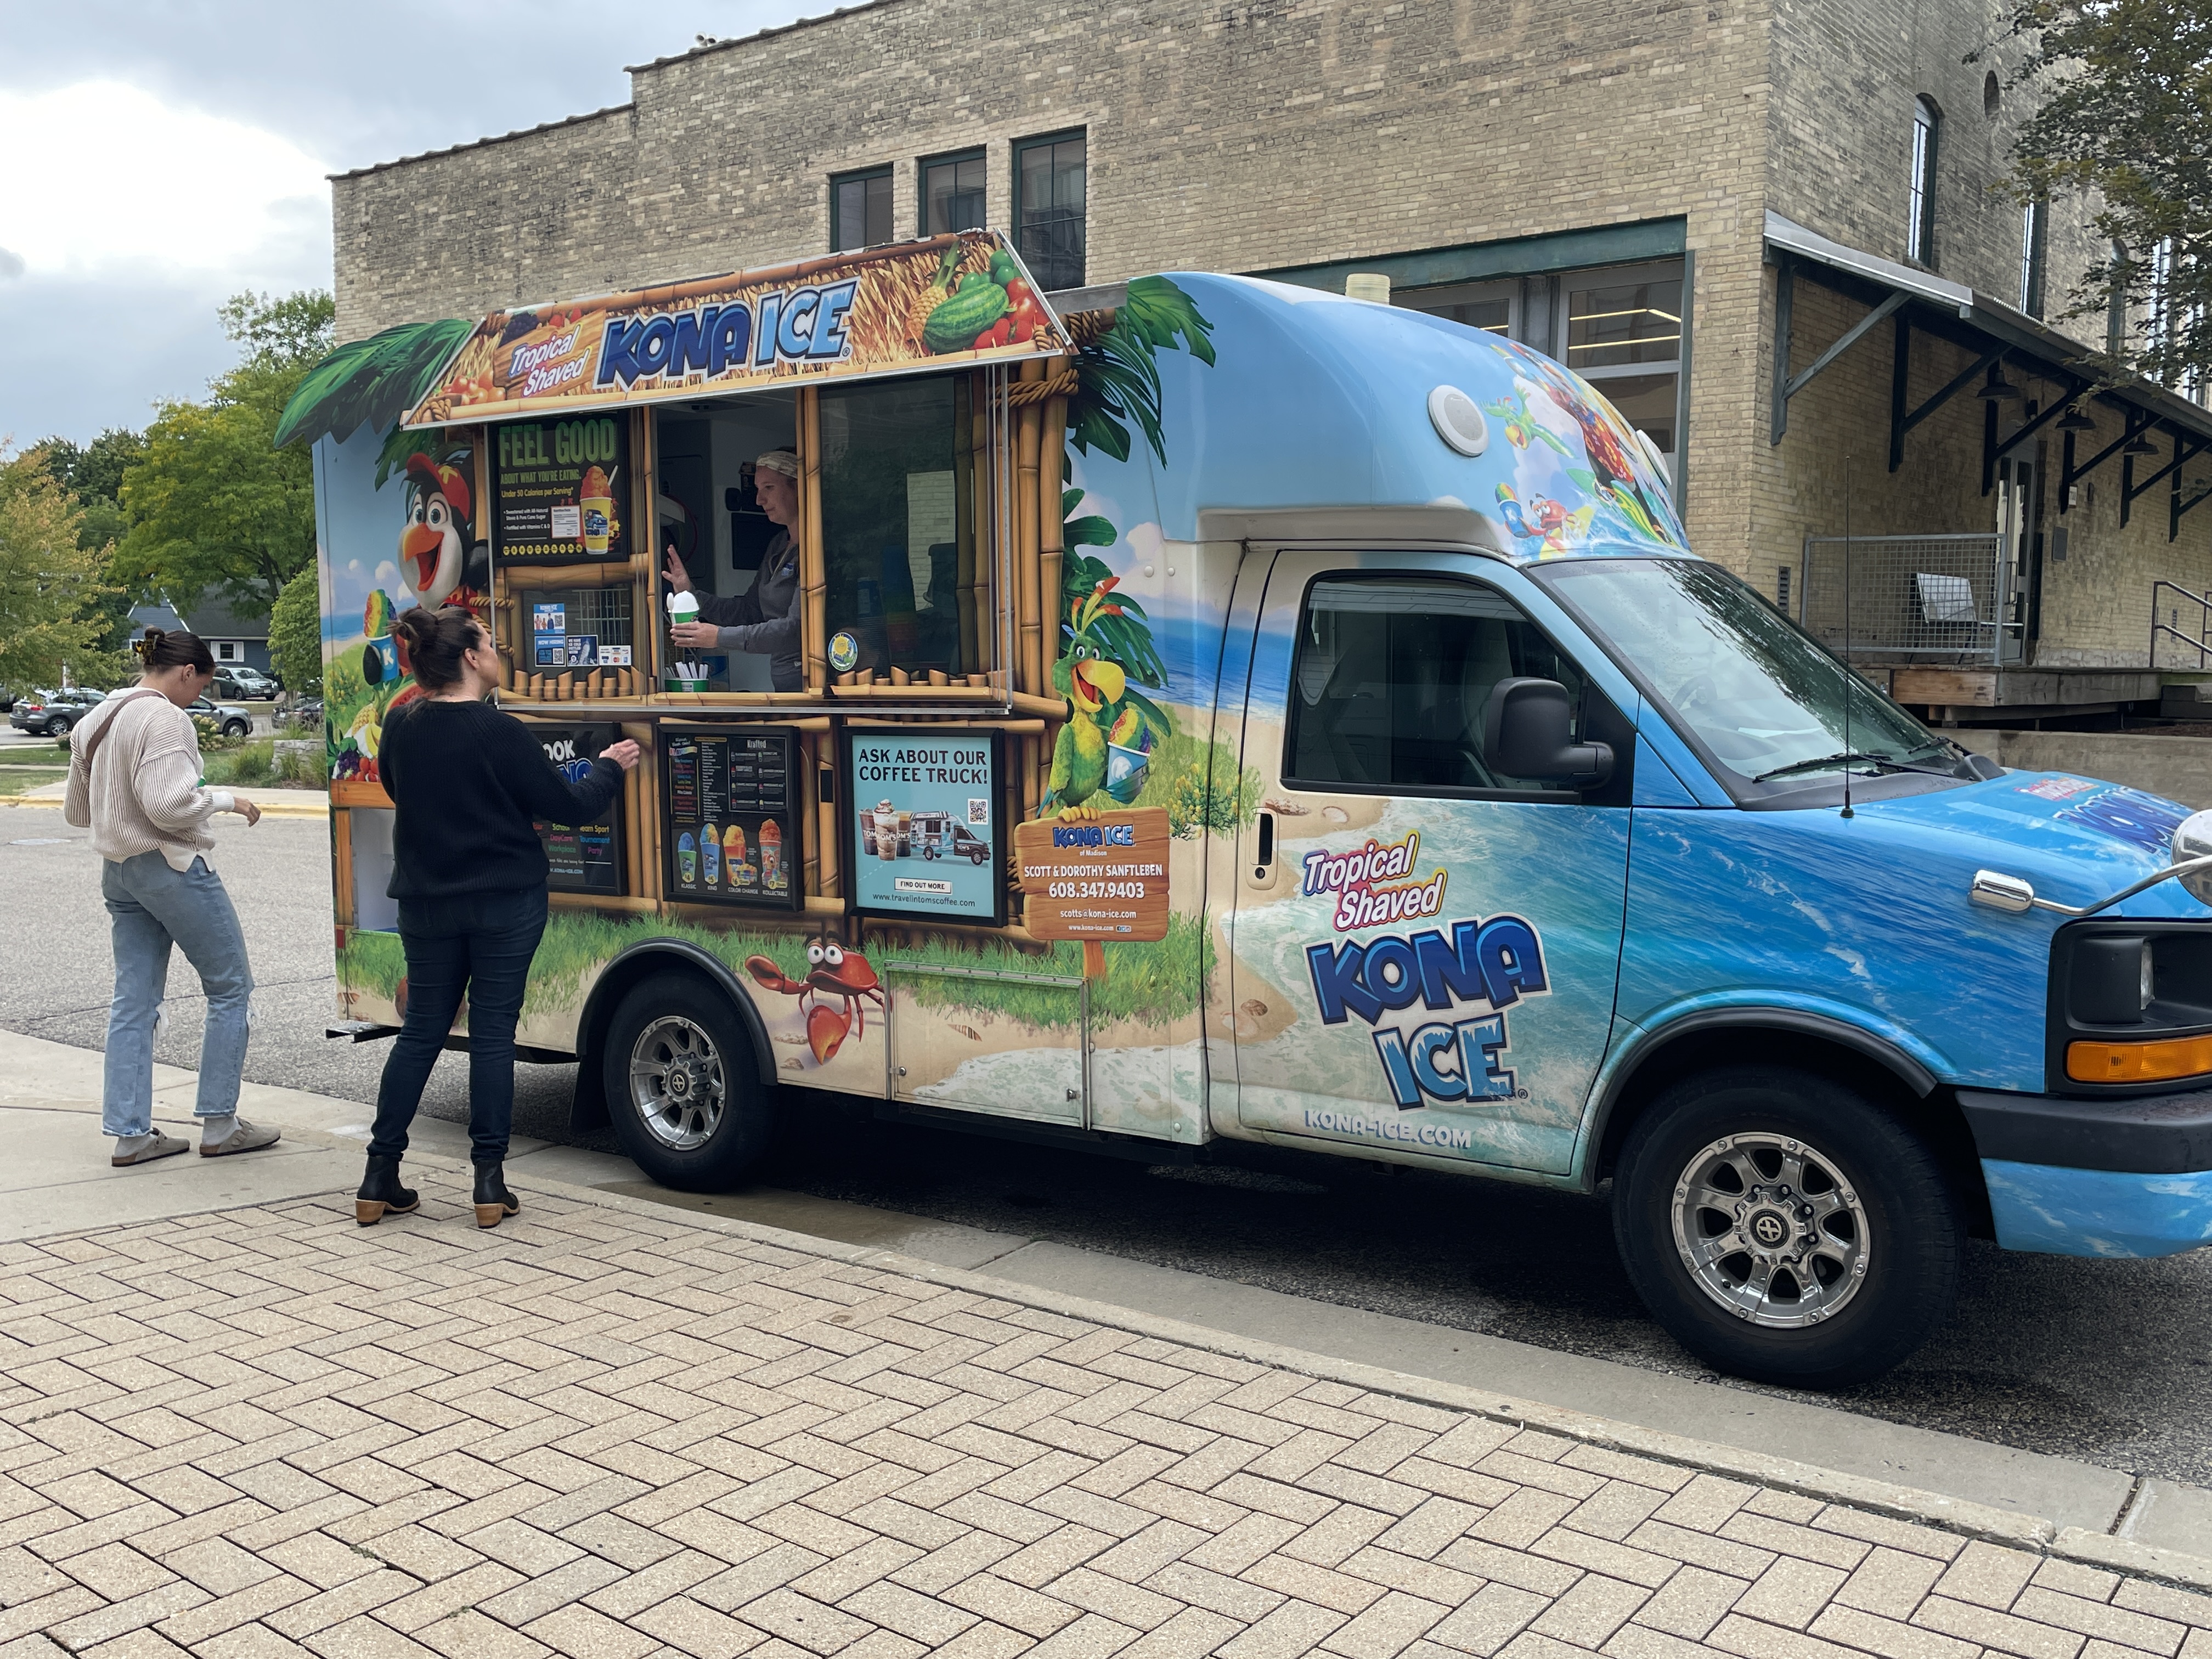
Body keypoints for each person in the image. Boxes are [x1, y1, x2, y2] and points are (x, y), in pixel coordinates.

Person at [358, 606, 641, 1229]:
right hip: (505, 904)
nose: (497, 648)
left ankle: (379, 1175)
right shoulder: (500, 731)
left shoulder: (401, 725)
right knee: (491, 1034)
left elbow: (399, 790)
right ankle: (489, 1184)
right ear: (469, 658)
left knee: (421, 1032)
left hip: (426, 903)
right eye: (489, 641)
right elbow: (569, 806)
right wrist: (611, 767)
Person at [65, 629, 276, 1166]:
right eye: (201, 685)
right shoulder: (163, 717)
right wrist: (230, 800)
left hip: (120, 872)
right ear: (187, 672)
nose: (198, 699)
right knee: (231, 988)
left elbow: (77, 811)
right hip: (173, 865)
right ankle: (220, 1124)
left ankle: (130, 1133)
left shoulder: (98, 716)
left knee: (133, 1001)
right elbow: (168, 805)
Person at [665, 447, 802, 692]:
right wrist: (693, 595)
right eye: (758, 490)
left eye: (769, 488)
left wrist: (719, 637)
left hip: (815, 687)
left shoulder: (816, 550)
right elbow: (750, 610)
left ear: (799, 487)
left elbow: (795, 629)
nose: (760, 500)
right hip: (785, 689)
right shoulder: (778, 544)